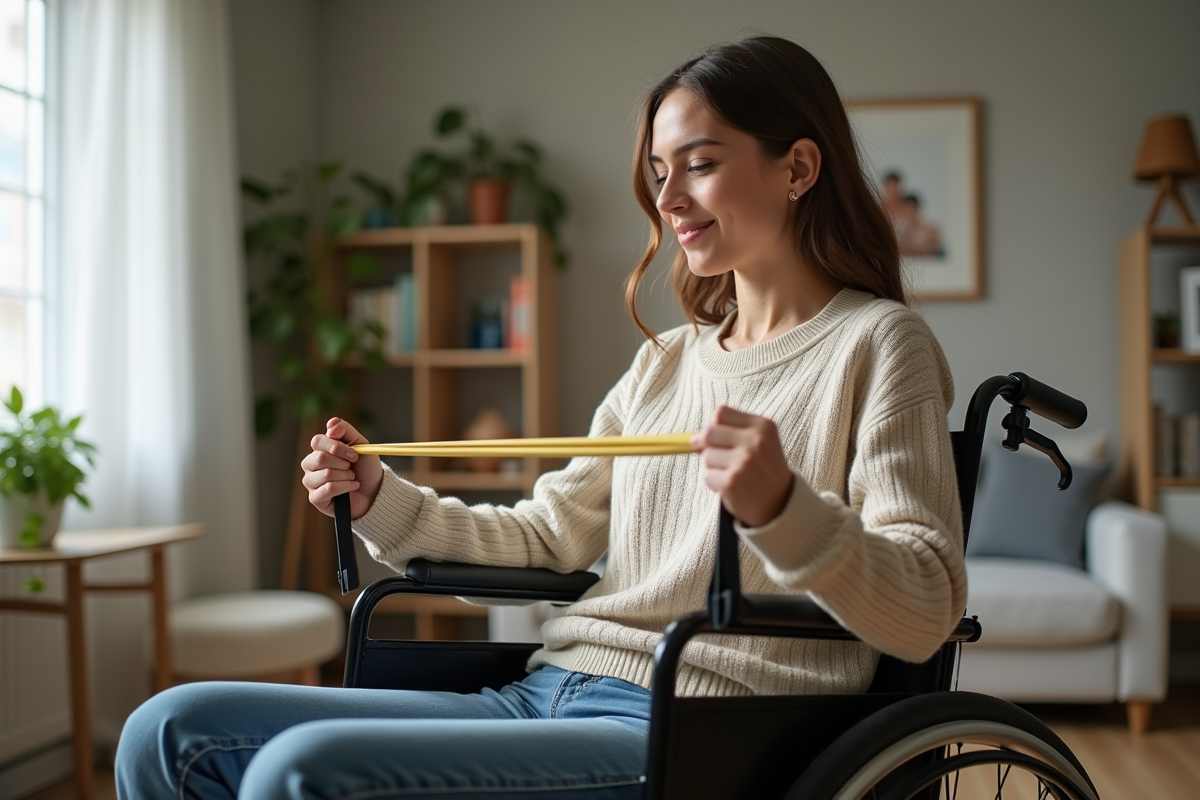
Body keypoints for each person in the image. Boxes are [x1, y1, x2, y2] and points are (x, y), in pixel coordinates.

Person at [115, 35, 966, 800]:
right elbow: (549, 534)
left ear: (798, 168)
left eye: (700, 163)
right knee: (169, 731)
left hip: (694, 725)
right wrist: (382, 500)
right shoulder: (665, 361)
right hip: (548, 688)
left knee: (300, 777)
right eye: (661, 172)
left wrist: (785, 508)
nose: (670, 200)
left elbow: (926, 607)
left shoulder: (880, 344)